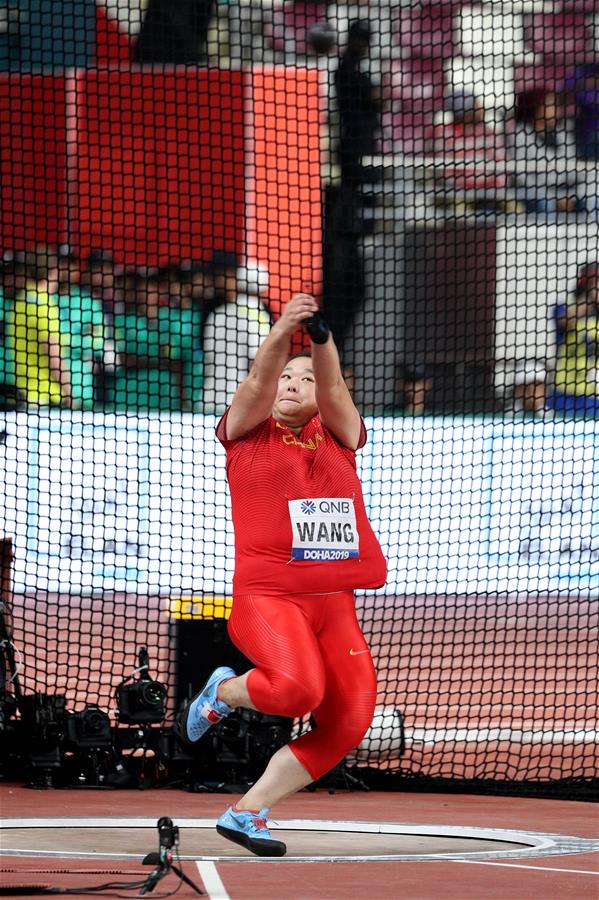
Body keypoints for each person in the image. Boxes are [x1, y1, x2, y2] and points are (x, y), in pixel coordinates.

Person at [175, 293, 387, 856]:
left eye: (304, 378)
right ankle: (222, 689)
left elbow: (336, 388)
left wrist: (318, 340)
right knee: (296, 692)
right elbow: (256, 381)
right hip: (268, 598)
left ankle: (247, 813)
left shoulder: (342, 434)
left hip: (332, 604)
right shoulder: (246, 430)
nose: (291, 383)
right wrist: (283, 331)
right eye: (285, 377)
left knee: (350, 719)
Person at [202, 251, 271, 413]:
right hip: (238, 405)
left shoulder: (216, 313)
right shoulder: (259, 315)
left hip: (208, 399)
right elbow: (259, 363)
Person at [3, 250, 74, 408]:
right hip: (46, 400)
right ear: (54, 271)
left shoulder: (20, 300)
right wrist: (70, 393)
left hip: (22, 395)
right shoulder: (44, 303)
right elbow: (53, 354)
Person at [507, 89, 581, 215]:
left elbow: (573, 169)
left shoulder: (562, 133)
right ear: (536, 108)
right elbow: (521, 176)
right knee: (546, 203)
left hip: (566, 191)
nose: (556, 110)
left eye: (556, 105)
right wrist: (554, 196)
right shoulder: (521, 134)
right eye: (550, 105)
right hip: (534, 193)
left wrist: (571, 196)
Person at [550, 264, 599, 415]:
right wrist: (590, 298)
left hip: (594, 395)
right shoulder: (564, 307)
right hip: (565, 392)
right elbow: (565, 321)